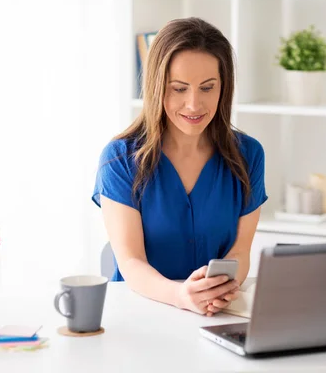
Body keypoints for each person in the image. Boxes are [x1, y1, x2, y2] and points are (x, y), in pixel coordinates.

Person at [92, 17, 268, 317]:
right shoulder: (119, 159)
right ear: (157, 87)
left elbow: (240, 251)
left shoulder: (248, 155)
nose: (194, 104)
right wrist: (181, 296)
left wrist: (220, 290)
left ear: (223, 88)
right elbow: (131, 262)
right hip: (142, 315)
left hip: (216, 316)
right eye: (179, 89)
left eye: (207, 87)